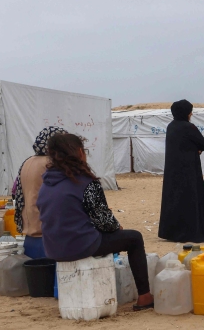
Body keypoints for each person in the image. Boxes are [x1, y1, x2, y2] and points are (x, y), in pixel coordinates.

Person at [37, 133, 154, 311]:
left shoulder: (47, 183)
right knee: (134, 238)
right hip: (80, 245)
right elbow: (104, 221)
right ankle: (145, 297)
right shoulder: (84, 182)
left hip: (53, 247)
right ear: (79, 152)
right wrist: (117, 228)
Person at [158, 100, 204, 243]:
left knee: (174, 199)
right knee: (190, 199)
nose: (191, 114)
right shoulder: (188, 127)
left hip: (172, 171)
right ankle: (189, 233)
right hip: (188, 170)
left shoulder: (171, 127)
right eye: (190, 111)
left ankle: (171, 233)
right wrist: (196, 149)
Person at [12, 126, 65, 259]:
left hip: (30, 236)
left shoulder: (27, 162)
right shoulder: (51, 164)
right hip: (47, 234)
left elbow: (16, 193)